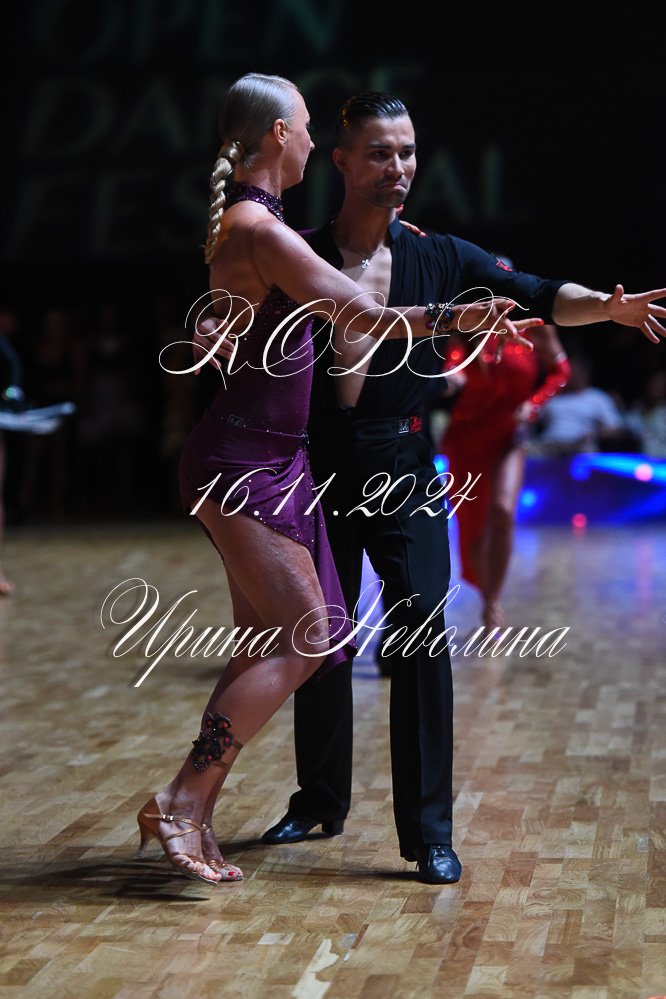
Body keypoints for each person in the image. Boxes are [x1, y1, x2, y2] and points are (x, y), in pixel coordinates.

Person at [210, 91, 665, 887]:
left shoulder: (443, 255)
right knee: (322, 634)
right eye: (381, 152)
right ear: (342, 160)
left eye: (409, 152)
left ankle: (428, 833)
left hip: (405, 463)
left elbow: (538, 292)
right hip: (317, 464)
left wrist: (608, 307)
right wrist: (218, 330)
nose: (399, 167)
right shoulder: (297, 252)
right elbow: (243, 329)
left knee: (421, 628)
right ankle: (318, 800)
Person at [138, 74, 525, 886]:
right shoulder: (266, 229)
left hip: (271, 458)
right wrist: (457, 317)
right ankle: (180, 799)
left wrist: (222, 326)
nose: (315, 138)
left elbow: (251, 322)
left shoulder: (258, 226)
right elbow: (364, 316)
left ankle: (191, 810)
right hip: (249, 461)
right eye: (309, 125)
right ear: (281, 135)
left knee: (269, 642)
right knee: (313, 637)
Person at [440, 321, 570, 629]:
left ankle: (492, 602)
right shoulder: (469, 324)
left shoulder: (537, 327)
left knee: (502, 511)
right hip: (467, 437)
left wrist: (533, 405)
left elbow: (561, 371)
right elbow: (452, 364)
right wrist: (450, 375)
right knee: (474, 525)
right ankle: (487, 598)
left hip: (509, 436)